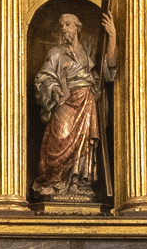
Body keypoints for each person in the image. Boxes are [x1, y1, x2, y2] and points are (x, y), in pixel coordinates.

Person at [32, 12, 115, 199]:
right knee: (59, 138)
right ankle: (55, 182)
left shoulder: (89, 49)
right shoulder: (55, 53)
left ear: (78, 27)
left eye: (68, 24)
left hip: (86, 100)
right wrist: (54, 89)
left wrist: (112, 36)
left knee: (84, 144)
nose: (64, 28)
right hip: (65, 100)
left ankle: (78, 182)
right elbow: (42, 77)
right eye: (61, 25)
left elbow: (109, 68)